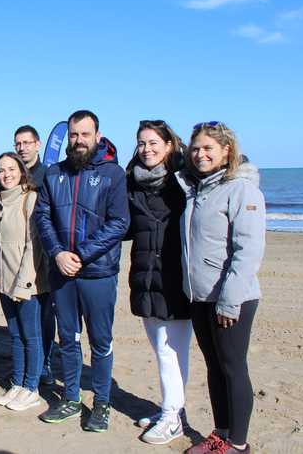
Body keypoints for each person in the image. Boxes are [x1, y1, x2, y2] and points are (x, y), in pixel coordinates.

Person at [34, 110, 129, 432]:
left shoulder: (113, 174)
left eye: (84, 135)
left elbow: (119, 222)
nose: (78, 141)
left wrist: (81, 255)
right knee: (69, 339)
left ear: (97, 137)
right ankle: (72, 399)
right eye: (73, 135)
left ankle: (102, 403)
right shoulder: (54, 173)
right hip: (63, 273)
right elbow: (42, 217)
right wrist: (58, 253)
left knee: (100, 342)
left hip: (98, 273)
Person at [177, 122, 264, 454]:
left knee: (233, 367)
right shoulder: (198, 189)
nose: (200, 154)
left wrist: (229, 301)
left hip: (231, 298)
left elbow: (248, 251)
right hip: (200, 296)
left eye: (208, 148)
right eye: (196, 148)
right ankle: (221, 434)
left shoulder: (242, 190)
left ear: (227, 150)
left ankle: (238, 444)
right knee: (215, 368)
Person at [125, 121, 191, 445]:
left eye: (153, 143)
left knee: (171, 351)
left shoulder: (184, 181)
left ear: (168, 145)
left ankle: (172, 418)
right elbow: (125, 227)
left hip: (175, 278)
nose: (146, 149)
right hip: (145, 274)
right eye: (141, 143)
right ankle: (172, 409)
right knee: (159, 348)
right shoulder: (133, 182)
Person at [0, 152, 51, 412]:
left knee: (31, 336)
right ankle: (17, 382)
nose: (7, 174)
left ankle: (31, 388)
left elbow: (32, 246)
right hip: (5, 281)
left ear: (21, 171)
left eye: (12, 169)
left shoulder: (30, 200)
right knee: (15, 336)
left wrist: (23, 284)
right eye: (2, 170)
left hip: (28, 284)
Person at [14, 124, 56, 386]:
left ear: (38, 144)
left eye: (27, 143)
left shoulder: (48, 175)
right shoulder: (12, 173)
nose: (22, 147)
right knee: (21, 314)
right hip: (16, 254)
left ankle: (45, 363)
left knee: (44, 312)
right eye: (18, 143)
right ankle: (27, 363)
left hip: (44, 253)